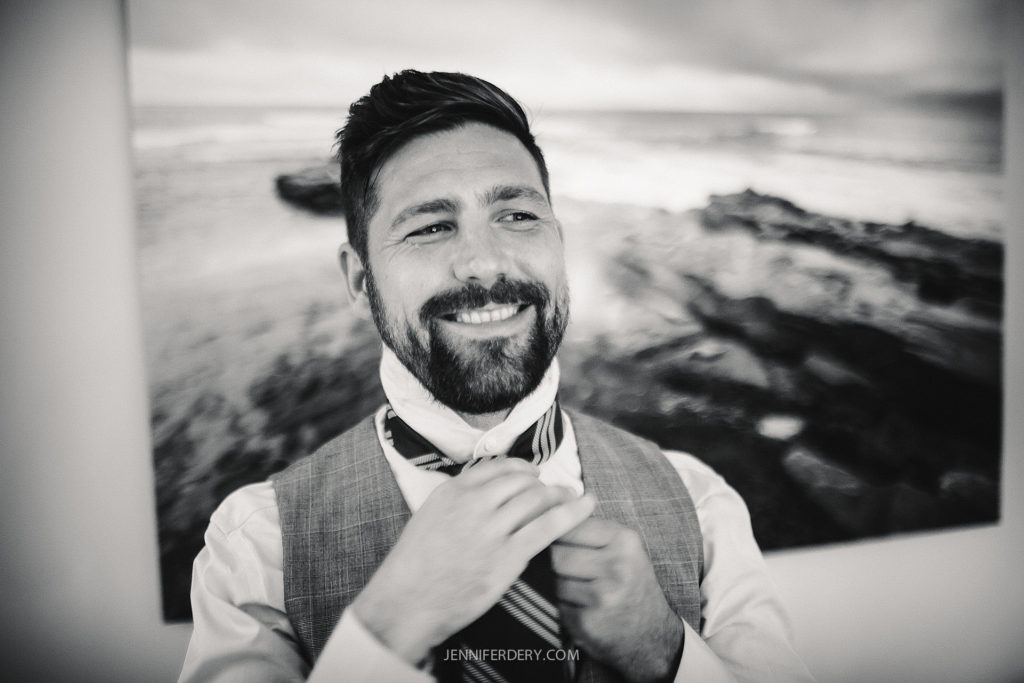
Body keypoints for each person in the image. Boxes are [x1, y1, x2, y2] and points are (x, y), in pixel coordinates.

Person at [179, 70, 814, 683]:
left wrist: (665, 652)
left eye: (516, 216)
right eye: (430, 226)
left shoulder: (700, 504)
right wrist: (382, 635)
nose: (484, 263)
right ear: (358, 277)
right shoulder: (258, 546)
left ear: (559, 242)